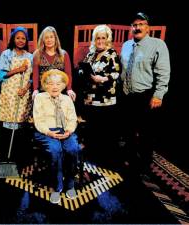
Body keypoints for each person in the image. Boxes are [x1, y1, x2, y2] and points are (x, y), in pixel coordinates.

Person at [120, 12, 170, 173]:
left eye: (141, 24)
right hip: (126, 94)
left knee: (145, 133)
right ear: (131, 28)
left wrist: (158, 94)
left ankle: (145, 163)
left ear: (148, 27)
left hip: (145, 95)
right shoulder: (126, 45)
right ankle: (131, 159)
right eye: (134, 25)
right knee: (127, 130)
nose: (137, 27)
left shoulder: (158, 44)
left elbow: (164, 72)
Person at [33, 69, 81, 204]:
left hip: (65, 130)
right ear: (45, 85)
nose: (54, 87)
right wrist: (49, 132)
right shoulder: (39, 98)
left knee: (72, 149)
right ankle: (57, 186)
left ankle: (70, 183)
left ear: (63, 86)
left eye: (58, 84)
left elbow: (72, 119)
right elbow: (38, 120)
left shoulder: (66, 99)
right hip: (46, 131)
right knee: (55, 151)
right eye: (51, 84)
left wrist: (69, 131)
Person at [77, 25, 121, 166]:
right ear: (94, 40)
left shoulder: (111, 53)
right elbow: (83, 70)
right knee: (92, 129)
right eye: (98, 38)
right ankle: (92, 157)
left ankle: (104, 160)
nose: (100, 41)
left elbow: (116, 73)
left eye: (103, 38)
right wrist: (82, 72)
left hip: (105, 99)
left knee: (104, 131)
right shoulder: (91, 54)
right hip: (90, 99)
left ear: (107, 39)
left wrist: (102, 79)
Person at [0, 26, 33, 163]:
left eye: (23, 38)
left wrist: (26, 88)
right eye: (18, 38)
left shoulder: (30, 57)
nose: (21, 40)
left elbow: (32, 77)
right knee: (9, 123)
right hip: (9, 93)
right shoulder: (7, 54)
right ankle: (7, 154)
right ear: (13, 39)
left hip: (23, 94)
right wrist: (18, 69)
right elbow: (0, 74)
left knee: (21, 125)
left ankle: (20, 155)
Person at [32, 26, 76, 101]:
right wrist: (35, 89)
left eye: (51, 37)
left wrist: (69, 89)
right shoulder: (37, 54)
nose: (49, 40)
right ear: (43, 40)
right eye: (46, 37)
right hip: (43, 91)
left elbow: (68, 74)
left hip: (59, 91)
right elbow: (35, 74)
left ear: (55, 39)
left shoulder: (63, 54)